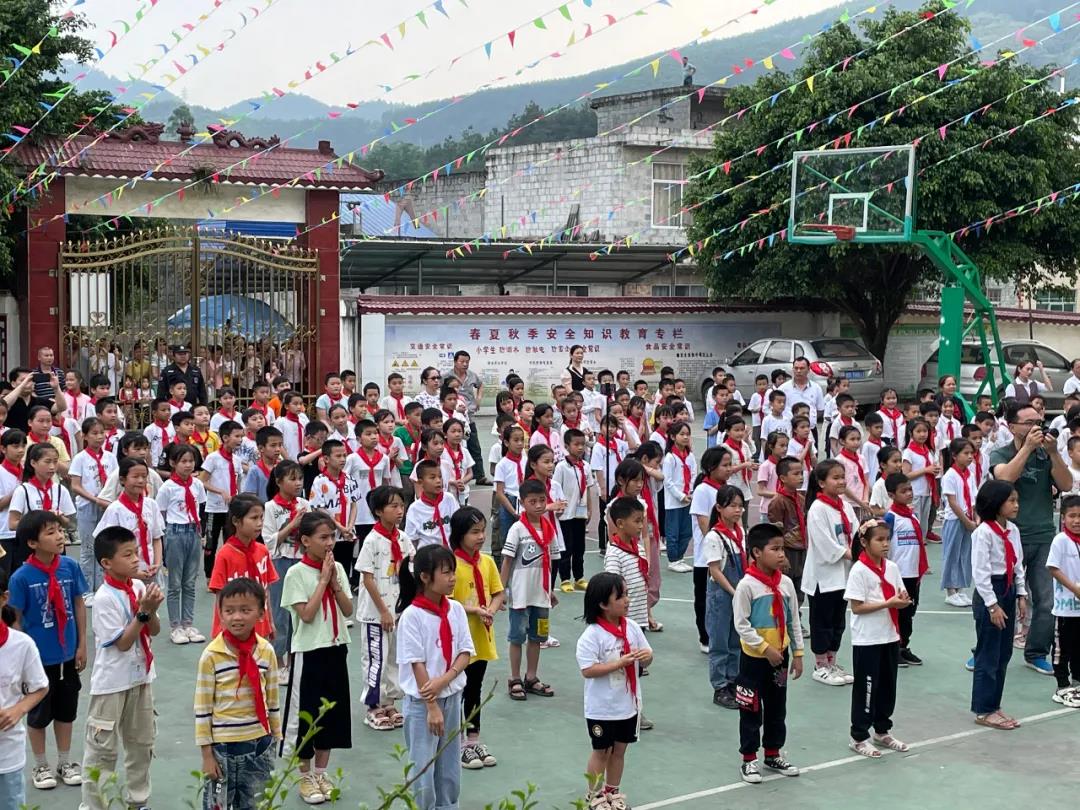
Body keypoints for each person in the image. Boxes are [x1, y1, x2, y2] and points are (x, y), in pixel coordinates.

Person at [82, 525, 163, 810]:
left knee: (141, 744)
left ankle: (138, 801)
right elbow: (124, 643)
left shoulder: (139, 587)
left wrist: (150, 609)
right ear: (106, 563)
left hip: (141, 678)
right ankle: (95, 805)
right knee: (102, 750)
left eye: (136, 553)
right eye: (127, 555)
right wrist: (143, 611)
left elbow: (154, 630)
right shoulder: (104, 598)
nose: (135, 560)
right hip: (111, 684)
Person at [990, 403, 1072, 676]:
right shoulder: (1000, 452)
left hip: (1044, 535)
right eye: (1028, 423)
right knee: (1001, 598)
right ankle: (986, 651)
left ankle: (1036, 651)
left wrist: (1053, 454)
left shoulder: (1046, 453)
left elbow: (1066, 484)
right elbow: (1004, 479)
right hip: (1009, 537)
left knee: (1047, 601)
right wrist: (1026, 448)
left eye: (1039, 421)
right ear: (1012, 426)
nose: (1036, 426)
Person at [8, 510, 88, 791]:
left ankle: (65, 761)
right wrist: (20, 660)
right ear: (32, 543)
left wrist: (81, 644)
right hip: (37, 659)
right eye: (51, 532)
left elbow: (78, 604)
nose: (59, 536)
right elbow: (15, 617)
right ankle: (40, 764)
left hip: (67, 654)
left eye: (60, 530)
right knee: (39, 713)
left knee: (67, 711)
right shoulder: (21, 577)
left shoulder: (70, 567)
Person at [279, 512, 354, 804]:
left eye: (332, 536)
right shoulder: (296, 574)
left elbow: (347, 610)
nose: (329, 542)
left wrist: (334, 582)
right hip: (309, 652)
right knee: (306, 714)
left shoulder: (337, 569)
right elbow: (307, 615)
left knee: (332, 715)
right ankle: (305, 776)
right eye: (323, 537)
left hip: (336, 647)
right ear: (305, 540)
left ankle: (321, 773)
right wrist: (323, 580)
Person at [396, 544, 474, 810]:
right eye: (446, 572)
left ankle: (448, 806)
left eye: (453, 571)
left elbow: (465, 651)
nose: (453, 577)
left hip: (452, 697)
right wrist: (431, 705)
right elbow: (417, 664)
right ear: (425, 577)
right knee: (422, 769)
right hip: (423, 704)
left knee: (450, 765)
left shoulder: (456, 609)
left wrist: (446, 679)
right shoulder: (412, 616)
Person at [195, 578, 282, 810]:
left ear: (261, 614)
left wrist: (275, 737)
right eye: (230, 611)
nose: (237, 617)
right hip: (223, 749)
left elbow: (272, 698)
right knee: (218, 805)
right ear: (220, 615)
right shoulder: (211, 656)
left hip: (259, 744)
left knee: (257, 804)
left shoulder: (266, 652)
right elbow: (202, 709)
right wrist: (207, 755)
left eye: (246, 610)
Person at [733, 522, 803, 784]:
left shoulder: (785, 584)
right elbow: (741, 625)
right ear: (756, 553)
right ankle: (749, 759)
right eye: (775, 549)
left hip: (780, 658)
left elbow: (794, 619)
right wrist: (765, 648)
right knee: (750, 708)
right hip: (753, 660)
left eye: (782, 549)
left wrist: (797, 654)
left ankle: (773, 753)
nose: (781, 554)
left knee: (777, 706)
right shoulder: (747, 586)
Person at [577, 571, 651, 810]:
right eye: (621, 596)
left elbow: (646, 657)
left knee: (619, 751)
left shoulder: (632, 628)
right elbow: (588, 670)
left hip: (627, 704)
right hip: (602, 707)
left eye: (627, 594)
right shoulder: (592, 636)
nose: (627, 600)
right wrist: (619, 663)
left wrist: (647, 657)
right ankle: (595, 795)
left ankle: (613, 792)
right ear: (602, 604)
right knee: (601, 751)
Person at [844, 519, 911, 757]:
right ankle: (858, 736)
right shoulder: (859, 570)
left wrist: (902, 599)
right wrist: (889, 603)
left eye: (887, 539)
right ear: (864, 542)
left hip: (889, 635)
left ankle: (882, 730)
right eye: (879, 540)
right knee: (867, 688)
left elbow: (899, 593)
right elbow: (858, 607)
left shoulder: (891, 567)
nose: (885, 544)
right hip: (868, 639)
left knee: (887, 686)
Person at [355, 485, 414, 732]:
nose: (399, 511)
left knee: (394, 659)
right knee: (376, 659)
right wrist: (384, 611)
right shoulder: (372, 540)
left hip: (398, 609)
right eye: (393, 506)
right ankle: (373, 706)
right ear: (379, 511)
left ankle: (388, 703)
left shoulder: (402, 538)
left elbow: (409, 569)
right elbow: (368, 578)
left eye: (401, 505)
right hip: (376, 613)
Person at [969, 480, 1028, 729]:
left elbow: (1017, 564)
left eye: (1016, 500)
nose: (1016, 505)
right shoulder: (983, 533)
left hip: (1008, 588)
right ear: (995, 504)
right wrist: (993, 606)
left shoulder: (1012, 530)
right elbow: (980, 572)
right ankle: (983, 709)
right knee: (988, 652)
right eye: (1011, 500)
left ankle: (995, 704)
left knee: (1004, 653)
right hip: (990, 593)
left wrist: (1021, 594)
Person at [450, 507, 504, 769]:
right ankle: (458, 743)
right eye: (474, 532)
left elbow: (498, 593)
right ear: (460, 535)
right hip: (458, 640)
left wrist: (491, 610)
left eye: (483, 531)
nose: (481, 536)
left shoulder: (487, 562)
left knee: (474, 689)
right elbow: (446, 601)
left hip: (480, 637)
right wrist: (472, 609)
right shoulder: (450, 564)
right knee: (457, 691)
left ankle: (474, 741)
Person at [501, 478, 562, 700]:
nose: (538, 505)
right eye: (532, 501)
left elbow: (551, 561)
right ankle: (515, 677)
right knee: (517, 637)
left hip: (541, 595)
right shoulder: (517, 529)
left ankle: (531, 676)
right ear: (523, 503)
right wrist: (501, 591)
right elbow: (507, 561)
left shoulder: (549, 530)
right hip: (520, 595)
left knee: (537, 637)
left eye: (542, 501)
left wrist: (550, 589)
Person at [0, 566, 50, 808]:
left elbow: (40, 687)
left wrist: (17, 710)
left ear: (4, 598)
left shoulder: (21, 645)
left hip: (6, 754)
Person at [803, 460, 856, 687]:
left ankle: (832, 662)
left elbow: (854, 530)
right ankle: (820, 665)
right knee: (821, 622)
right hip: (823, 577)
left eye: (842, 476)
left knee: (837, 622)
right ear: (821, 483)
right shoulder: (818, 509)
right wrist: (851, 553)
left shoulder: (845, 506)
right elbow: (824, 545)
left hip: (843, 575)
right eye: (835, 478)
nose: (841, 481)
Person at [156, 445, 208, 645]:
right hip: (175, 533)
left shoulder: (197, 485)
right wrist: (165, 538)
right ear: (173, 463)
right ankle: (175, 627)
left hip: (193, 532)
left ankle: (188, 624)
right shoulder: (167, 487)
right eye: (183, 461)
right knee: (175, 583)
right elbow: (161, 514)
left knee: (190, 582)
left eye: (191, 461)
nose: (188, 465)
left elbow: (200, 508)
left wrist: (201, 534)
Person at [703, 485, 748, 710]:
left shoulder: (741, 534)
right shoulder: (715, 536)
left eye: (740, 506)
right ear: (720, 508)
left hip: (738, 594)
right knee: (719, 642)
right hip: (722, 596)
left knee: (735, 640)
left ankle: (733, 680)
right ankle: (719, 686)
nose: (738, 510)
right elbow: (715, 570)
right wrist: (734, 591)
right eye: (733, 506)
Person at [94, 458, 164, 583]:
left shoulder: (151, 505)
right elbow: (105, 545)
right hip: (126, 575)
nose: (141, 481)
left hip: (150, 571)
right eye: (135, 476)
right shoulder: (115, 509)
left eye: (144, 476)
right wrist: (135, 573)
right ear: (122, 480)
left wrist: (157, 564)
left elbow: (156, 538)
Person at [68, 418, 118, 597]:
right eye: (94, 433)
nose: (99, 437)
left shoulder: (110, 457)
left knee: (105, 546)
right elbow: (75, 485)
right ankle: (87, 589)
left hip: (107, 507)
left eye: (101, 432)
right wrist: (95, 499)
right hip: (88, 506)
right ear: (85, 436)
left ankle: (101, 587)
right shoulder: (80, 458)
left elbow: (114, 481)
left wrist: (108, 500)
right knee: (88, 548)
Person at [1047, 494, 1080, 707]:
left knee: (1079, 646)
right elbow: (1053, 568)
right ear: (1063, 518)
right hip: (1065, 608)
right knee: (1062, 648)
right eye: (1072, 516)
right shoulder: (1060, 540)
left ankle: (1076, 684)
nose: (1077, 521)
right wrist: (1074, 588)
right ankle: (1061, 685)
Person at [555, 428, 594, 592]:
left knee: (580, 547)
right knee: (567, 547)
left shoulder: (585, 466)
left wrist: (590, 509)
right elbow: (556, 488)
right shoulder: (562, 467)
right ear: (567, 445)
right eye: (576, 444)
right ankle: (565, 579)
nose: (580, 448)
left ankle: (579, 577)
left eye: (582, 445)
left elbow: (589, 489)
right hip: (566, 515)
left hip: (580, 513)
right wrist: (558, 508)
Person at [603, 496, 650, 630]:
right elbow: (612, 589)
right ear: (620, 523)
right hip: (623, 620)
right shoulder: (614, 553)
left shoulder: (639, 550)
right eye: (637, 521)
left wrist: (647, 616)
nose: (641, 526)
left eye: (642, 521)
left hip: (639, 619)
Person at [662, 421, 696, 572]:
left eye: (687, 434)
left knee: (686, 531)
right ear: (673, 436)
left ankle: (680, 557)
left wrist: (691, 493)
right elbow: (668, 481)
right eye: (682, 434)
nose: (685, 437)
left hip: (688, 499)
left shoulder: (690, 456)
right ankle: (673, 559)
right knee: (673, 532)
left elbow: (694, 475)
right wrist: (681, 496)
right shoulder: (670, 458)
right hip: (674, 502)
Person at [449, 351, 487, 485]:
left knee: (474, 446)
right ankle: (456, 477)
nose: (465, 364)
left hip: (468, 416)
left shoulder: (472, 375)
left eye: (467, 362)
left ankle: (480, 476)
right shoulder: (447, 376)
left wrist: (478, 398)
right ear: (455, 362)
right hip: (452, 417)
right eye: (462, 361)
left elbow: (481, 385)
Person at [406, 459, 458, 549]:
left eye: (440, 476)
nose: (438, 481)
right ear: (421, 483)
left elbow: (459, 524)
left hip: (450, 554)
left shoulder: (449, 499)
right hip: (428, 556)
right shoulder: (415, 508)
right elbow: (411, 540)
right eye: (432, 477)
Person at [780, 358, 826, 444]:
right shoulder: (783, 389)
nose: (798, 371)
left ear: (808, 369)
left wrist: (809, 420)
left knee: (812, 455)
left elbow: (820, 410)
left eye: (802, 368)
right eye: (796, 368)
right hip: (790, 430)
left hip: (810, 430)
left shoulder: (816, 388)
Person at [242, 426, 284, 501]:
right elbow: (251, 498)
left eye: (280, 445)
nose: (278, 449)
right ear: (261, 448)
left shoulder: (284, 468)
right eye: (273, 445)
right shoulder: (255, 471)